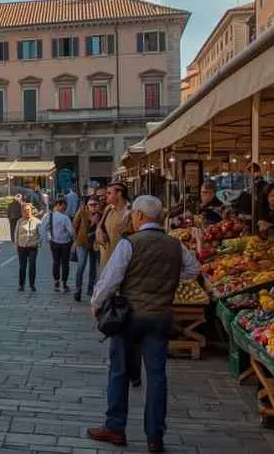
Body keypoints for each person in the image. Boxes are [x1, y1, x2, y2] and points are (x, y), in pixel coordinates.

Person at [88, 196, 201, 452]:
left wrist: (96, 303)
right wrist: (170, 277)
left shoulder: (130, 243)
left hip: (130, 316)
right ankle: (155, 436)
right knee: (157, 376)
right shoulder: (175, 244)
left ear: (139, 215)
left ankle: (115, 428)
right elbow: (194, 270)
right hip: (161, 317)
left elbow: (110, 279)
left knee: (119, 372)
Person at [73, 196, 103, 302]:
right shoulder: (82, 212)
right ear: (87, 206)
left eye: (95, 204)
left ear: (99, 205)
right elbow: (74, 225)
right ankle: (78, 289)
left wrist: (97, 222)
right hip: (82, 243)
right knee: (81, 264)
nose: (93, 207)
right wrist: (76, 240)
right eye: (91, 205)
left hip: (95, 244)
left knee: (93, 267)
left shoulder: (102, 215)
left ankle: (90, 289)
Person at [43, 198, 75, 292]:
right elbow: (71, 231)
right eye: (64, 206)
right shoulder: (65, 218)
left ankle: (56, 283)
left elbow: (43, 228)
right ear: (58, 205)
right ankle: (64, 284)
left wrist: (47, 239)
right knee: (65, 264)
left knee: (55, 262)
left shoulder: (49, 216)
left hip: (54, 243)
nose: (65, 208)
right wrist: (74, 239)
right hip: (65, 243)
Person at [97, 183, 132, 268]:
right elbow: (100, 225)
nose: (106, 196)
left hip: (122, 262)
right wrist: (99, 231)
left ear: (119, 193)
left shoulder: (131, 212)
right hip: (106, 260)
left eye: (109, 193)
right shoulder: (108, 209)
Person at [13, 202, 41, 292]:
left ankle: (32, 284)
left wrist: (38, 243)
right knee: (22, 266)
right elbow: (16, 234)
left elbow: (41, 234)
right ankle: (21, 285)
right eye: (25, 210)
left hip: (33, 246)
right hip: (22, 246)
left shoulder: (37, 221)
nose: (27, 212)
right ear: (22, 212)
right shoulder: (19, 221)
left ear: (31, 210)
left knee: (32, 265)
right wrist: (16, 244)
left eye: (28, 210)